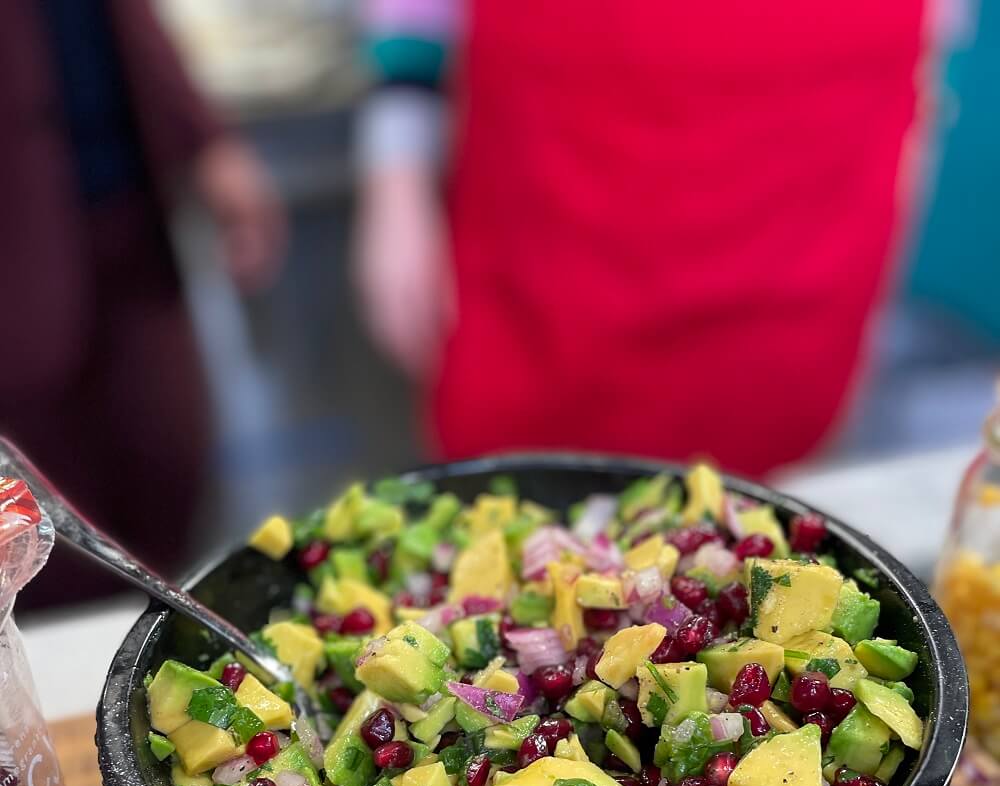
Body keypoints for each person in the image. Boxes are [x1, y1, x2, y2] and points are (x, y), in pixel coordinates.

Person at [353, 0, 931, 477]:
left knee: (767, 555)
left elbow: (937, 43)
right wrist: (396, 180)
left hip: (803, 213)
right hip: (552, 227)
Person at [0, 0, 285, 608]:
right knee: (41, 526)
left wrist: (206, 141)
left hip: (127, 217)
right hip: (18, 243)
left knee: (166, 459)